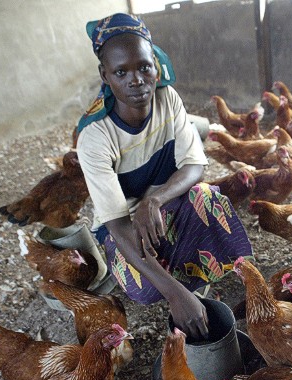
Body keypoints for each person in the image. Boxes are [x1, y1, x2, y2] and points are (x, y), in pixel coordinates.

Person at [75, 13, 253, 340]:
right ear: (105, 75)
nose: (136, 80)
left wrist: (153, 200)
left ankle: (194, 287)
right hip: (123, 227)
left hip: (162, 205)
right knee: (146, 287)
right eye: (121, 72)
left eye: (144, 67)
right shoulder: (95, 137)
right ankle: (179, 288)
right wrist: (173, 295)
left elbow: (195, 166)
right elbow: (117, 224)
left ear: (156, 65)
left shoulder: (167, 99)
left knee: (207, 199)